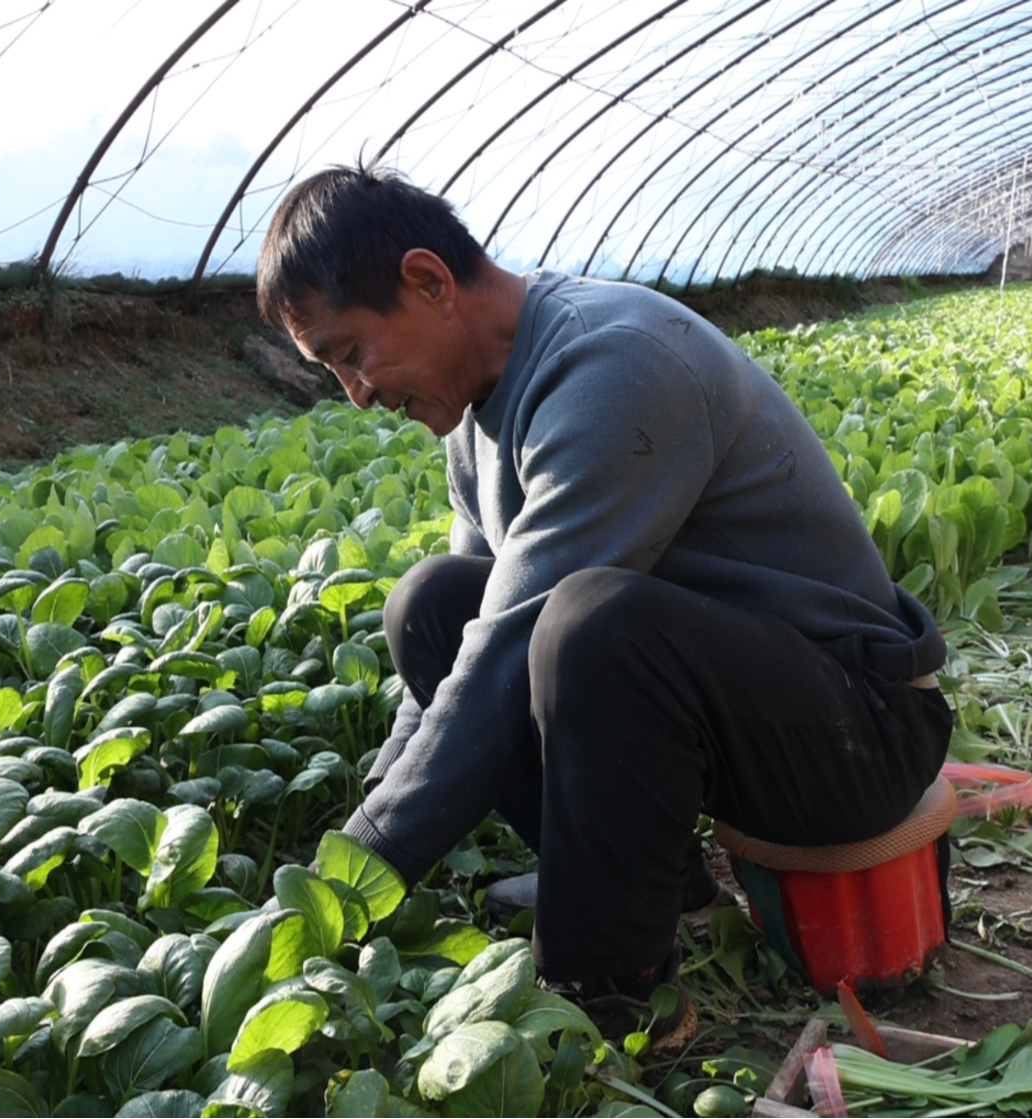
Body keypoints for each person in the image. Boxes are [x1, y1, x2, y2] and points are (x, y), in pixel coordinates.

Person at [255, 164, 951, 1049]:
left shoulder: (613, 363)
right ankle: (660, 888)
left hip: (860, 733)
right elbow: (473, 642)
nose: (356, 393)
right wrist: (366, 819)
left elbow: (510, 654)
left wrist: (357, 874)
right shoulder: (474, 417)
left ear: (428, 282)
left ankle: (612, 992)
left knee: (588, 624)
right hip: (738, 717)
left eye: (351, 353)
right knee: (431, 603)